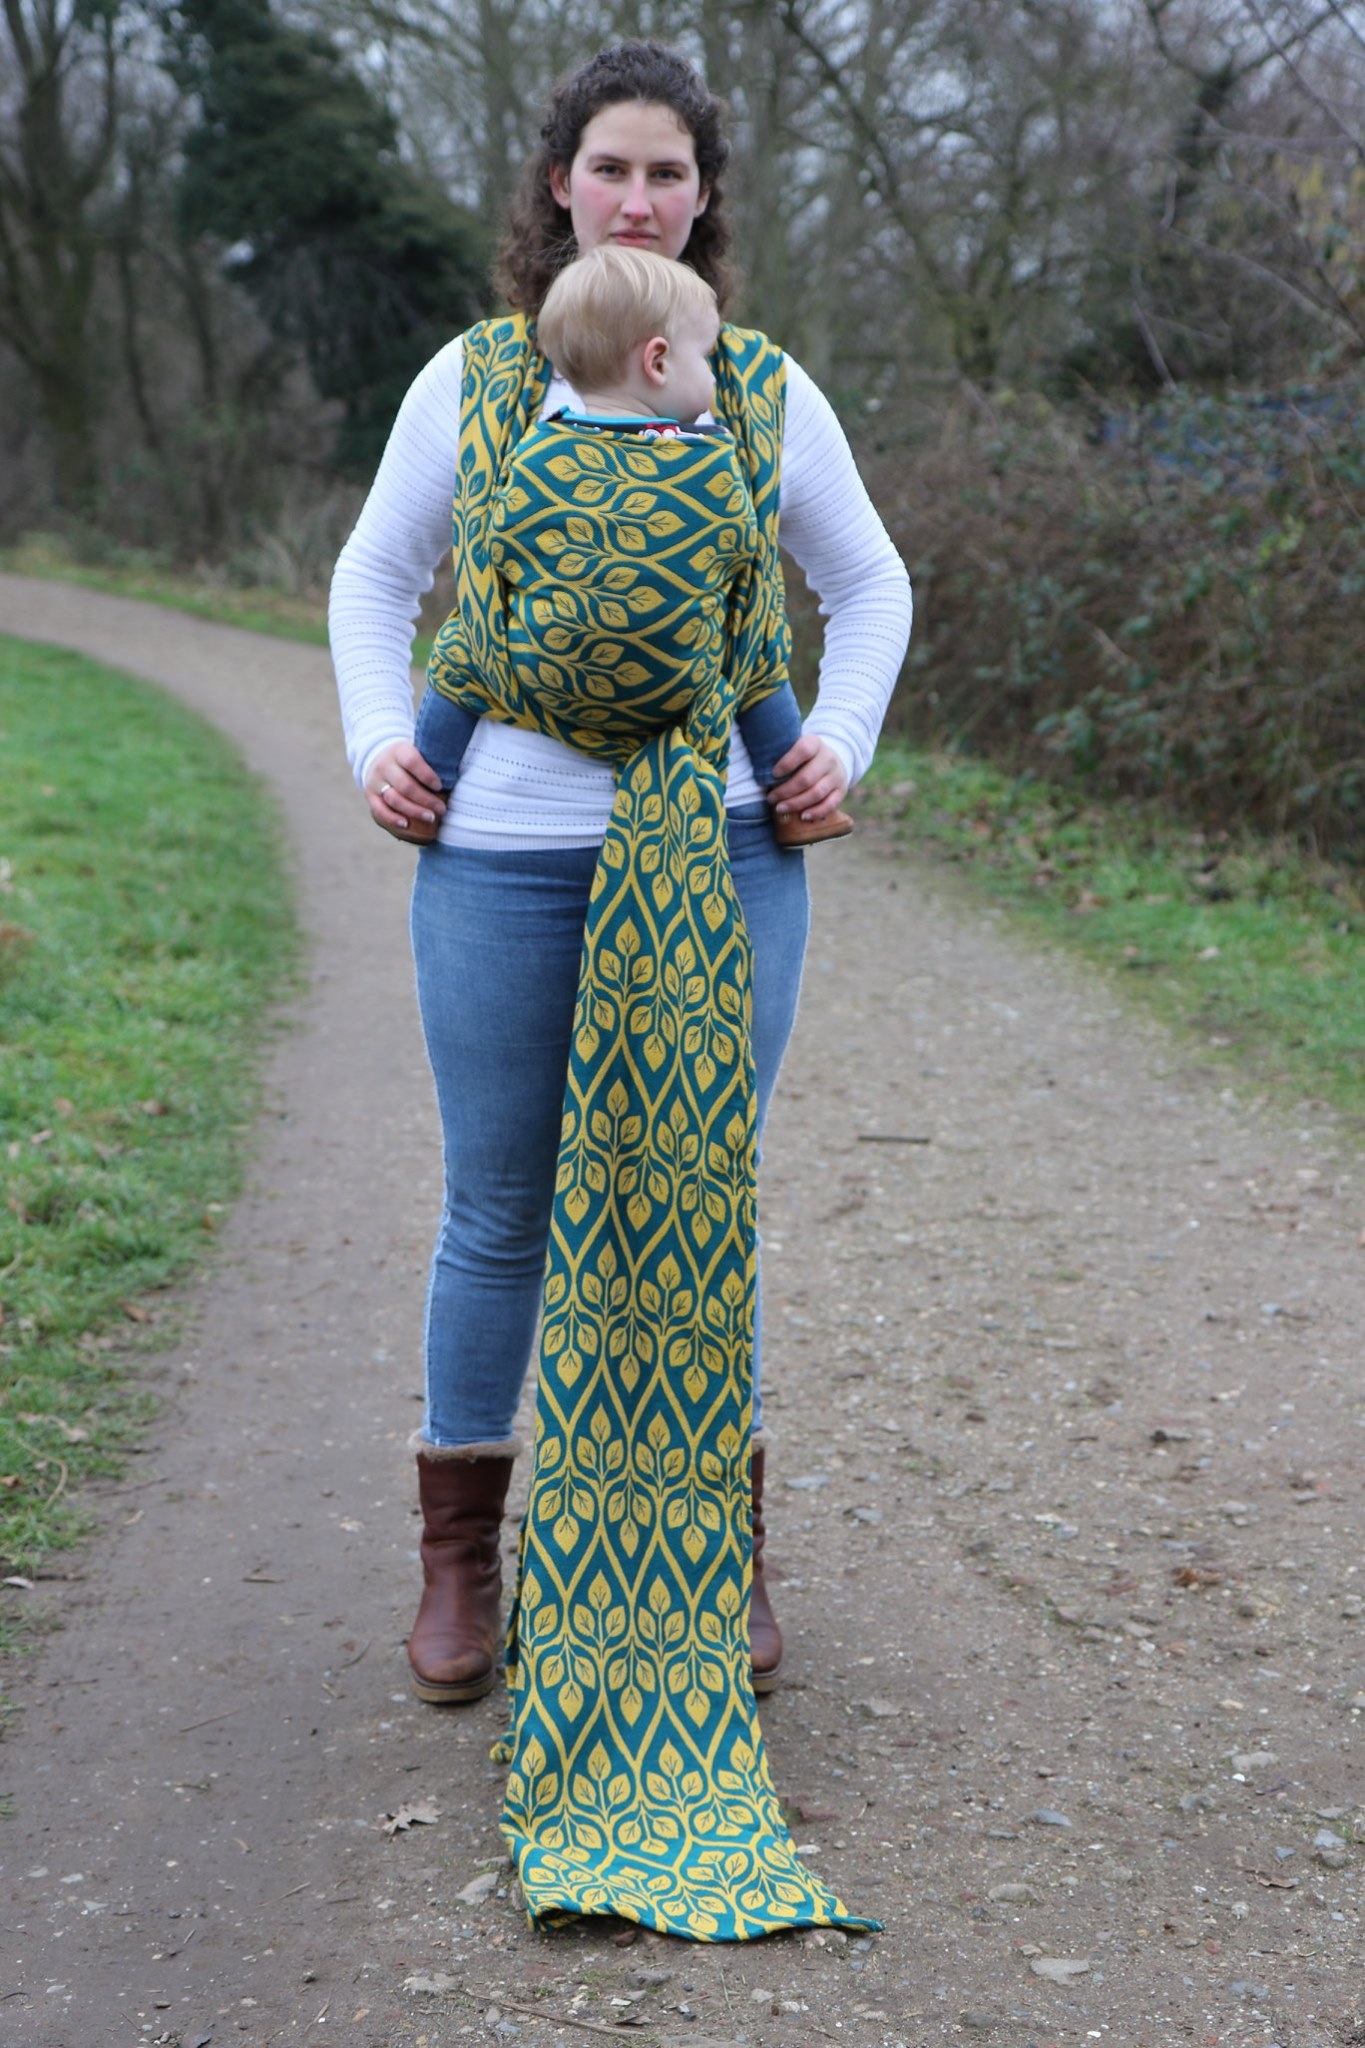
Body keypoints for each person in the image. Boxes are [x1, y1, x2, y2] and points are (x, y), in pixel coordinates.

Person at [329, 39, 911, 1940]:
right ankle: (465, 1565)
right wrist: (375, 741)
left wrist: (833, 745)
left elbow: (866, 587)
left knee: (691, 1197)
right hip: (499, 852)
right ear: (559, 184)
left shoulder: (758, 387)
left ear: (702, 193)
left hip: (720, 851)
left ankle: (710, 1564)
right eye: (610, 167)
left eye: (669, 170)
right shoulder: (476, 379)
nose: (639, 196)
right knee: (501, 1202)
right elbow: (378, 579)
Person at [411, 241, 853, 848]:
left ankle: (428, 787)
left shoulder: (534, 454)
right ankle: (795, 802)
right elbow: (742, 552)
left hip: (547, 676)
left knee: (464, 650)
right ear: (658, 361)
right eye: (706, 357)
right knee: (754, 645)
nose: (713, 374)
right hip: (680, 683)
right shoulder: (713, 464)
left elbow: (501, 548)